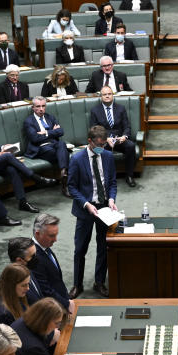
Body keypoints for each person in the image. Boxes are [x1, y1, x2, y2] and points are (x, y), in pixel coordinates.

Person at [68, 126, 118, 298]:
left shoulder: (108, 156)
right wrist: (86, 204)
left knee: (103, 246)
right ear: (89, 141)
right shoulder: (77, 159)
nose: (102, 149)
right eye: (98, 145)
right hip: (86, 211)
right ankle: (77, 284)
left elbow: (111, 182)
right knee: (80, 249)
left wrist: (111, 199)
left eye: (104, 145)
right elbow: (72, 187)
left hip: (104, 208)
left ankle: (99, 282)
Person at [90, 87, 138, 186]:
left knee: (131, 146)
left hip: (119, 139)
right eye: (104, 94)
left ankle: (129, 175)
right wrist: (105, 139)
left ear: (113, 95)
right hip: (104, 140)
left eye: (109, 94)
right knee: (98, 149)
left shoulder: (121, 108)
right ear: (101, 96)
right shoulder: (95, 110)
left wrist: (124, 136)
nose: (107, 96)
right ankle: (105, 178)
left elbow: (127, 126)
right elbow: (93, 129)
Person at [24, 96, 71, 194]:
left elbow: (61, 131)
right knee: (63, 152)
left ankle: (63, 172)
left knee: (61, 144)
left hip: (54, 145)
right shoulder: (29, 121)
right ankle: (65, 180)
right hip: (41, 148)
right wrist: (52, 132)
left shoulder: (50, 117)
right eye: (38, 106)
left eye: (43, 106)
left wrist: (45, 132)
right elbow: (35, 138)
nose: (41, 109)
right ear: (33, 107)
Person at [29, 214, 73, 313]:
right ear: (37, 233)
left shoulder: (44, 247)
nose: (55, 239)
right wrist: (66, 304)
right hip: (52, 310)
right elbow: (45, 290)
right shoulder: (34, 257)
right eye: (51, 236)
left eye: (56, 235)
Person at [7, 237, 47, 304]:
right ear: (19, 260)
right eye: (32, 256)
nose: (36, 257)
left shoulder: (28, 270)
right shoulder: (15, 287)